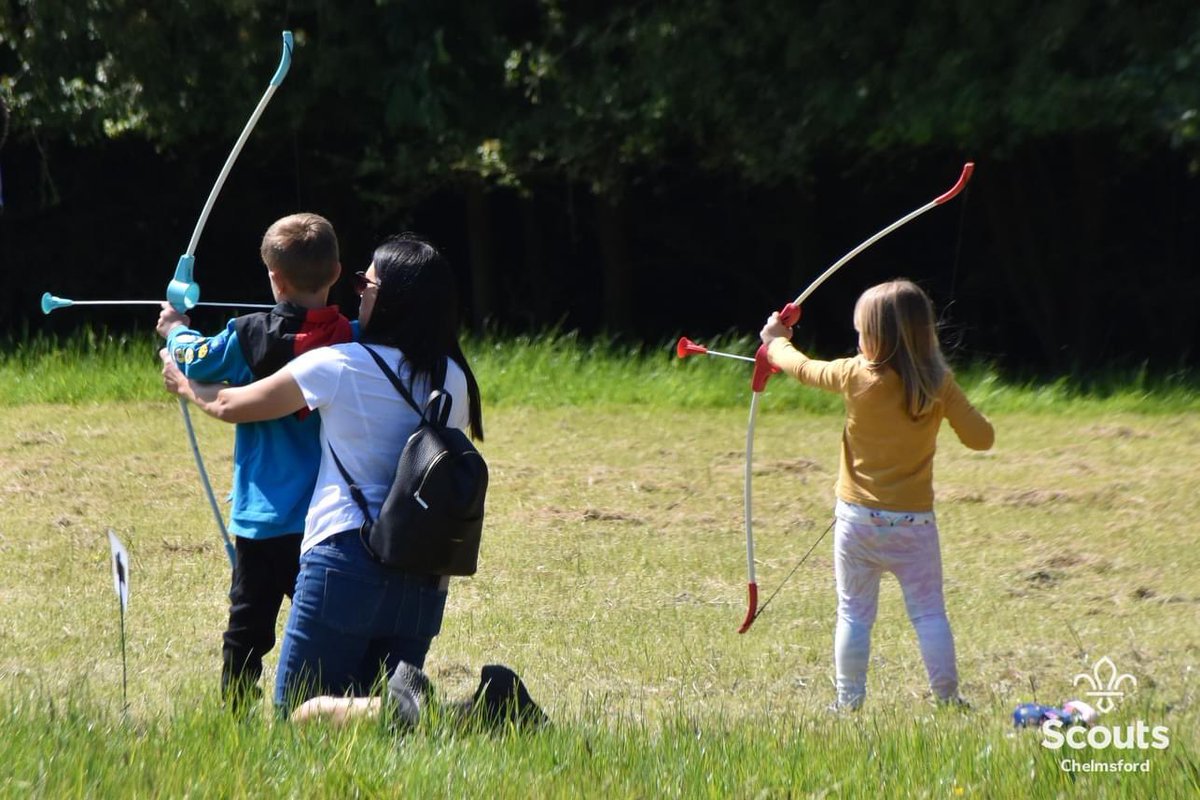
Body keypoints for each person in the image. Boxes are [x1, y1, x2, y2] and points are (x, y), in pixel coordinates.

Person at [161, 233, 484, 716]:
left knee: (299, 714)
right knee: (387, 716)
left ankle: (449, 713)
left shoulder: (337, 366)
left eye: (366, 285)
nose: (359, 294)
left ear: (393, 299)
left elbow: (229, 404)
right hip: (424, 570)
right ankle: (480, 712)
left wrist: (183, 381)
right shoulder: (453, 376)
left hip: (345, 560)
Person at [759, 279, 994, 710]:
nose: (858, 340)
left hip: (858, 523)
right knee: (929, 613)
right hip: (914, 526)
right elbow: (982, 439)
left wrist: (775, 342)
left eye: (861, 332)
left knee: (853, 613)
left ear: (875, 337)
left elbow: (803, 368)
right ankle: (947, 699)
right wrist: (950, 399)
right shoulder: (938, 383)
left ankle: (848, 702)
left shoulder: (853, 374)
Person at [157, 212, 352, 712]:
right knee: (329, 624)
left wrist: (175, 330)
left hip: (264, 518)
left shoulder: (249, 336)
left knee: (247, 626)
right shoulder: (352, 337)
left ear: (275, 279)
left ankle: (236, 713)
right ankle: (338, 704)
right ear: (335, 272)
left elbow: (196, 358)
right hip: (330, 518)